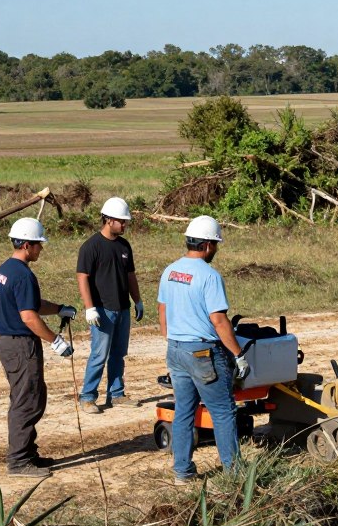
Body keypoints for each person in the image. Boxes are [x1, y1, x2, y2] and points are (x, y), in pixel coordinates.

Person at [156, 215, 249, 485]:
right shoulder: (209, 276)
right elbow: (219, 321)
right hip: (203, 354)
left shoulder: (170, 271)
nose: (215, 250)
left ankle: (182, 472)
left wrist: (172, 337)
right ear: (207, 245)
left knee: (184, 410)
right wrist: (239, 355)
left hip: (176, 350)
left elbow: (162, 309)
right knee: (222, 411)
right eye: (216, 245)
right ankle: (234, 474)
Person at [0, 217, 77, 478]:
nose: (41, 249)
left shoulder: (7, 269)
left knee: (32, 396)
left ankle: (28, 453)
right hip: (21, 345)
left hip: (10, 344)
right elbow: (28, 316)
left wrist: (58, 309)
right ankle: (19, 462)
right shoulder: (23, 274)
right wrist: (55, 340)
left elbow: (30, 304)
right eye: (39, 245)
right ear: (27, 245)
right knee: (26, 401)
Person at [76, 197, 143, 413]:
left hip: (122, 308)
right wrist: (89, 307)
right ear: (107, 220)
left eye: (125, 221)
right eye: (121, 221)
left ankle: (117, 393)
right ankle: (87, 397)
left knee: (118, 354)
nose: (124, 225)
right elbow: (82, 277)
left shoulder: (124, 246)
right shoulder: (91, 247)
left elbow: (130, 275)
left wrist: (138, 300)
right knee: (99, 354)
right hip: (102, 310)